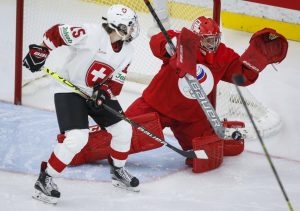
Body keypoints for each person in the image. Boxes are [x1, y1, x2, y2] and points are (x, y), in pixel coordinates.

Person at [52, 16, 288, 174]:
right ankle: (77, 150)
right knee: (124, 135)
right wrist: (170, 45)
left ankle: (224, 133)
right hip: (157, 105)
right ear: (196, 37)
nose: (213, 44)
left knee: (206, 161)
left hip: (193, 117)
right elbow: (157, 43)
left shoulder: (224, 55)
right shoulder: (181, 42)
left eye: (215, 39)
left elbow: (242, 76)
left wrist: (257, 57)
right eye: (207, 40)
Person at [23, 4, 141, 204]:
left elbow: (117, 82)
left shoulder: (128, 51)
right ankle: (45, 179)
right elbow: (57, 32)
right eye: (129, 25)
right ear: (117, 26)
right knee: (77, 138)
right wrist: (41, 51)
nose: (133, 29)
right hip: (68, 89)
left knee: (123, 130)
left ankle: (118, 171)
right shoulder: (91, 34)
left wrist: (104, 93)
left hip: (94, 93)